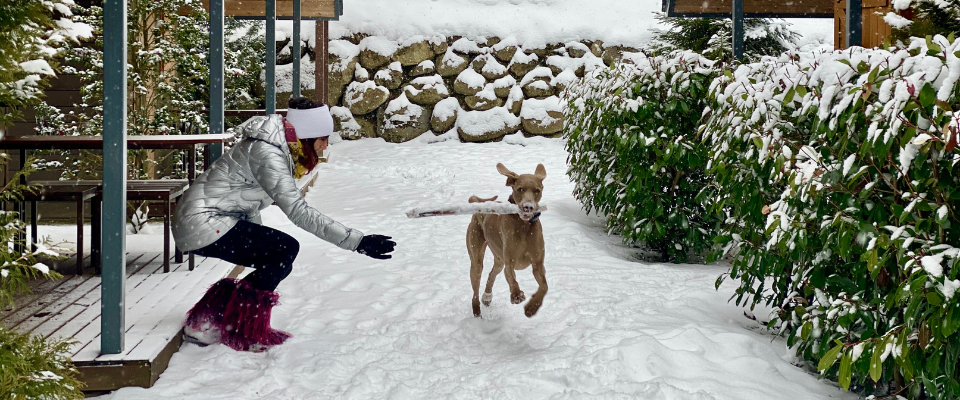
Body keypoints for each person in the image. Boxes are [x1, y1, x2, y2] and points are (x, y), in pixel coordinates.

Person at [172, 97, 396, 351]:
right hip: (203, 221)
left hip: (210, 220)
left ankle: (210, 319)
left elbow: (247, 202)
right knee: (283, 250)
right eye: (322, 138)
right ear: (306, 135)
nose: (325, 146)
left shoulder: (274, 147)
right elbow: (298, 211)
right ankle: (234, 325)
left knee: (277, 259)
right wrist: (358, 241)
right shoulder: (268, 153)